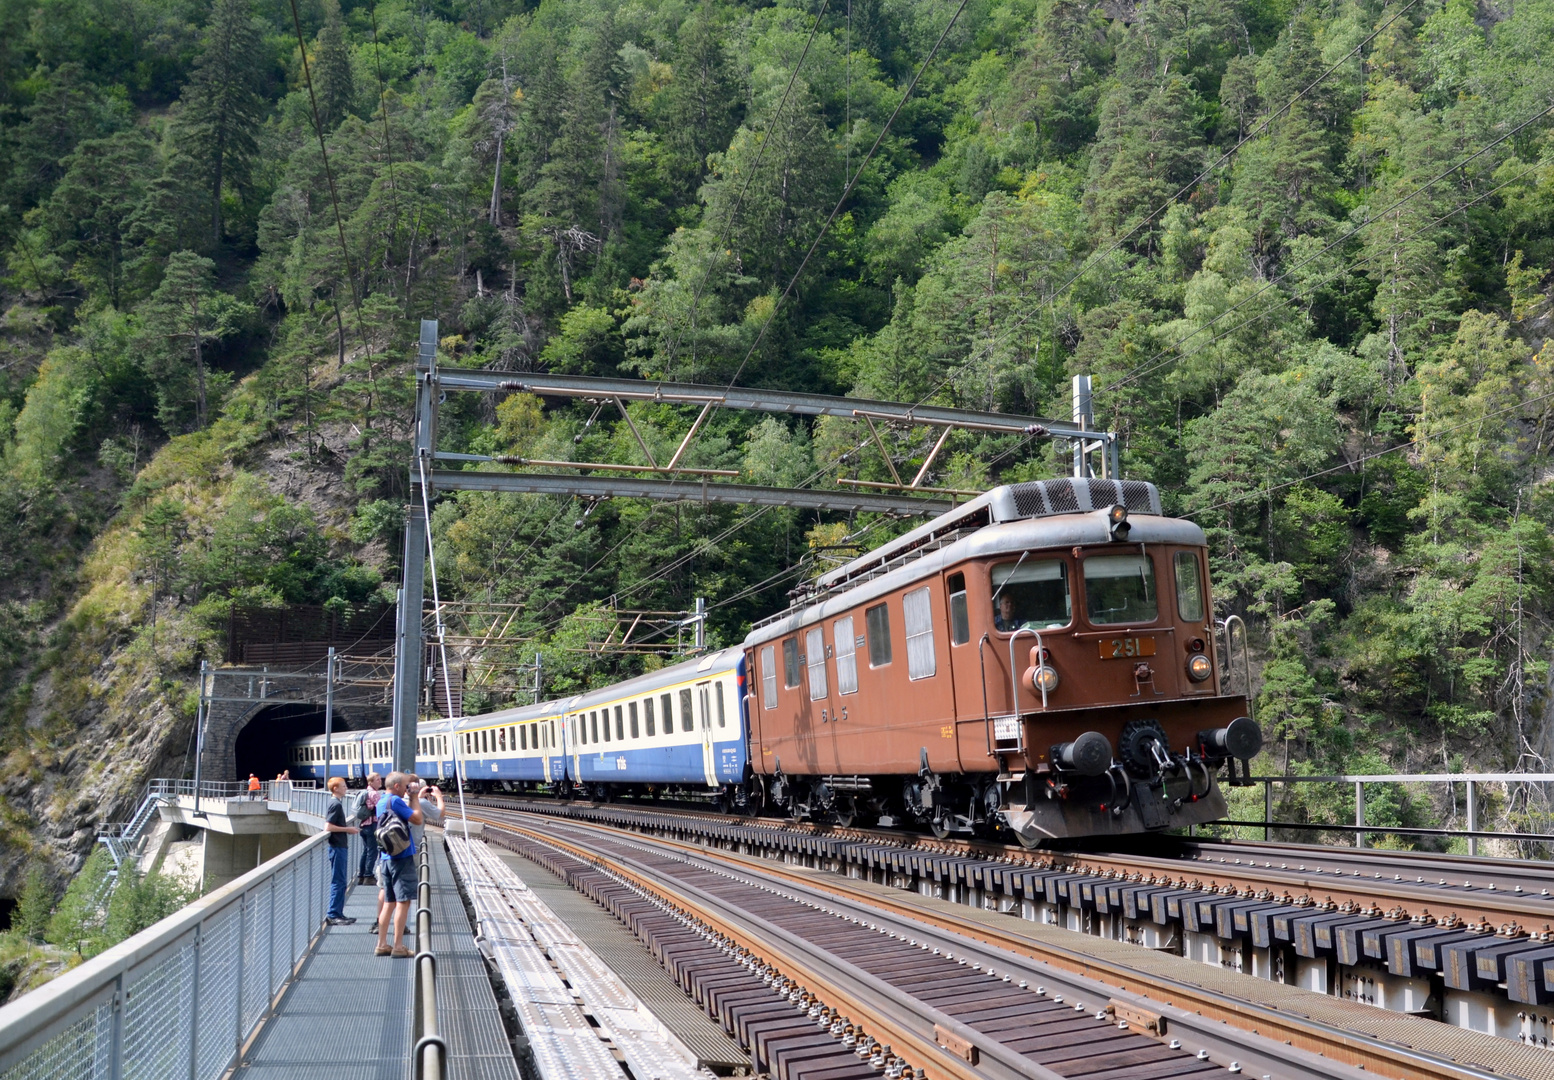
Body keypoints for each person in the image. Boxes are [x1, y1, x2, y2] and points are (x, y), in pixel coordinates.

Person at [374, 772, 422, 958]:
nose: (406, 788)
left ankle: (382, 944)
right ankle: (399, 946)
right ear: (396, 786)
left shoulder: (381, 801)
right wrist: (415, 797)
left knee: (389, 902)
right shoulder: (395, 801)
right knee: (403, 902)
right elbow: (417, 819)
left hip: (386, 857)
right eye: (404, 785)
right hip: (401, 858)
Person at [323, 777, 359, 925]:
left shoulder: (336, 803)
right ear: (335, 788)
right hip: (337, 847)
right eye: (343, 786)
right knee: (339, 881)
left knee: (341, 881)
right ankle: (333, 914)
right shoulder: (335, 804)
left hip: (339, 847)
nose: (346, 788)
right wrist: (347, 829)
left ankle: (338, 913)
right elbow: (328, 827)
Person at [356, 772, 383, 885]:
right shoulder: (374, 794)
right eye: (377, 779)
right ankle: (368, 876)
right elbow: (382, 808)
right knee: (372, 852)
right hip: (372, 825)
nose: (380, 781)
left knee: (366, 851)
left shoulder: (365, 792)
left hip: (364, 825)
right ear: (371, 782)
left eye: (380, 779)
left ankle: (361, 876)